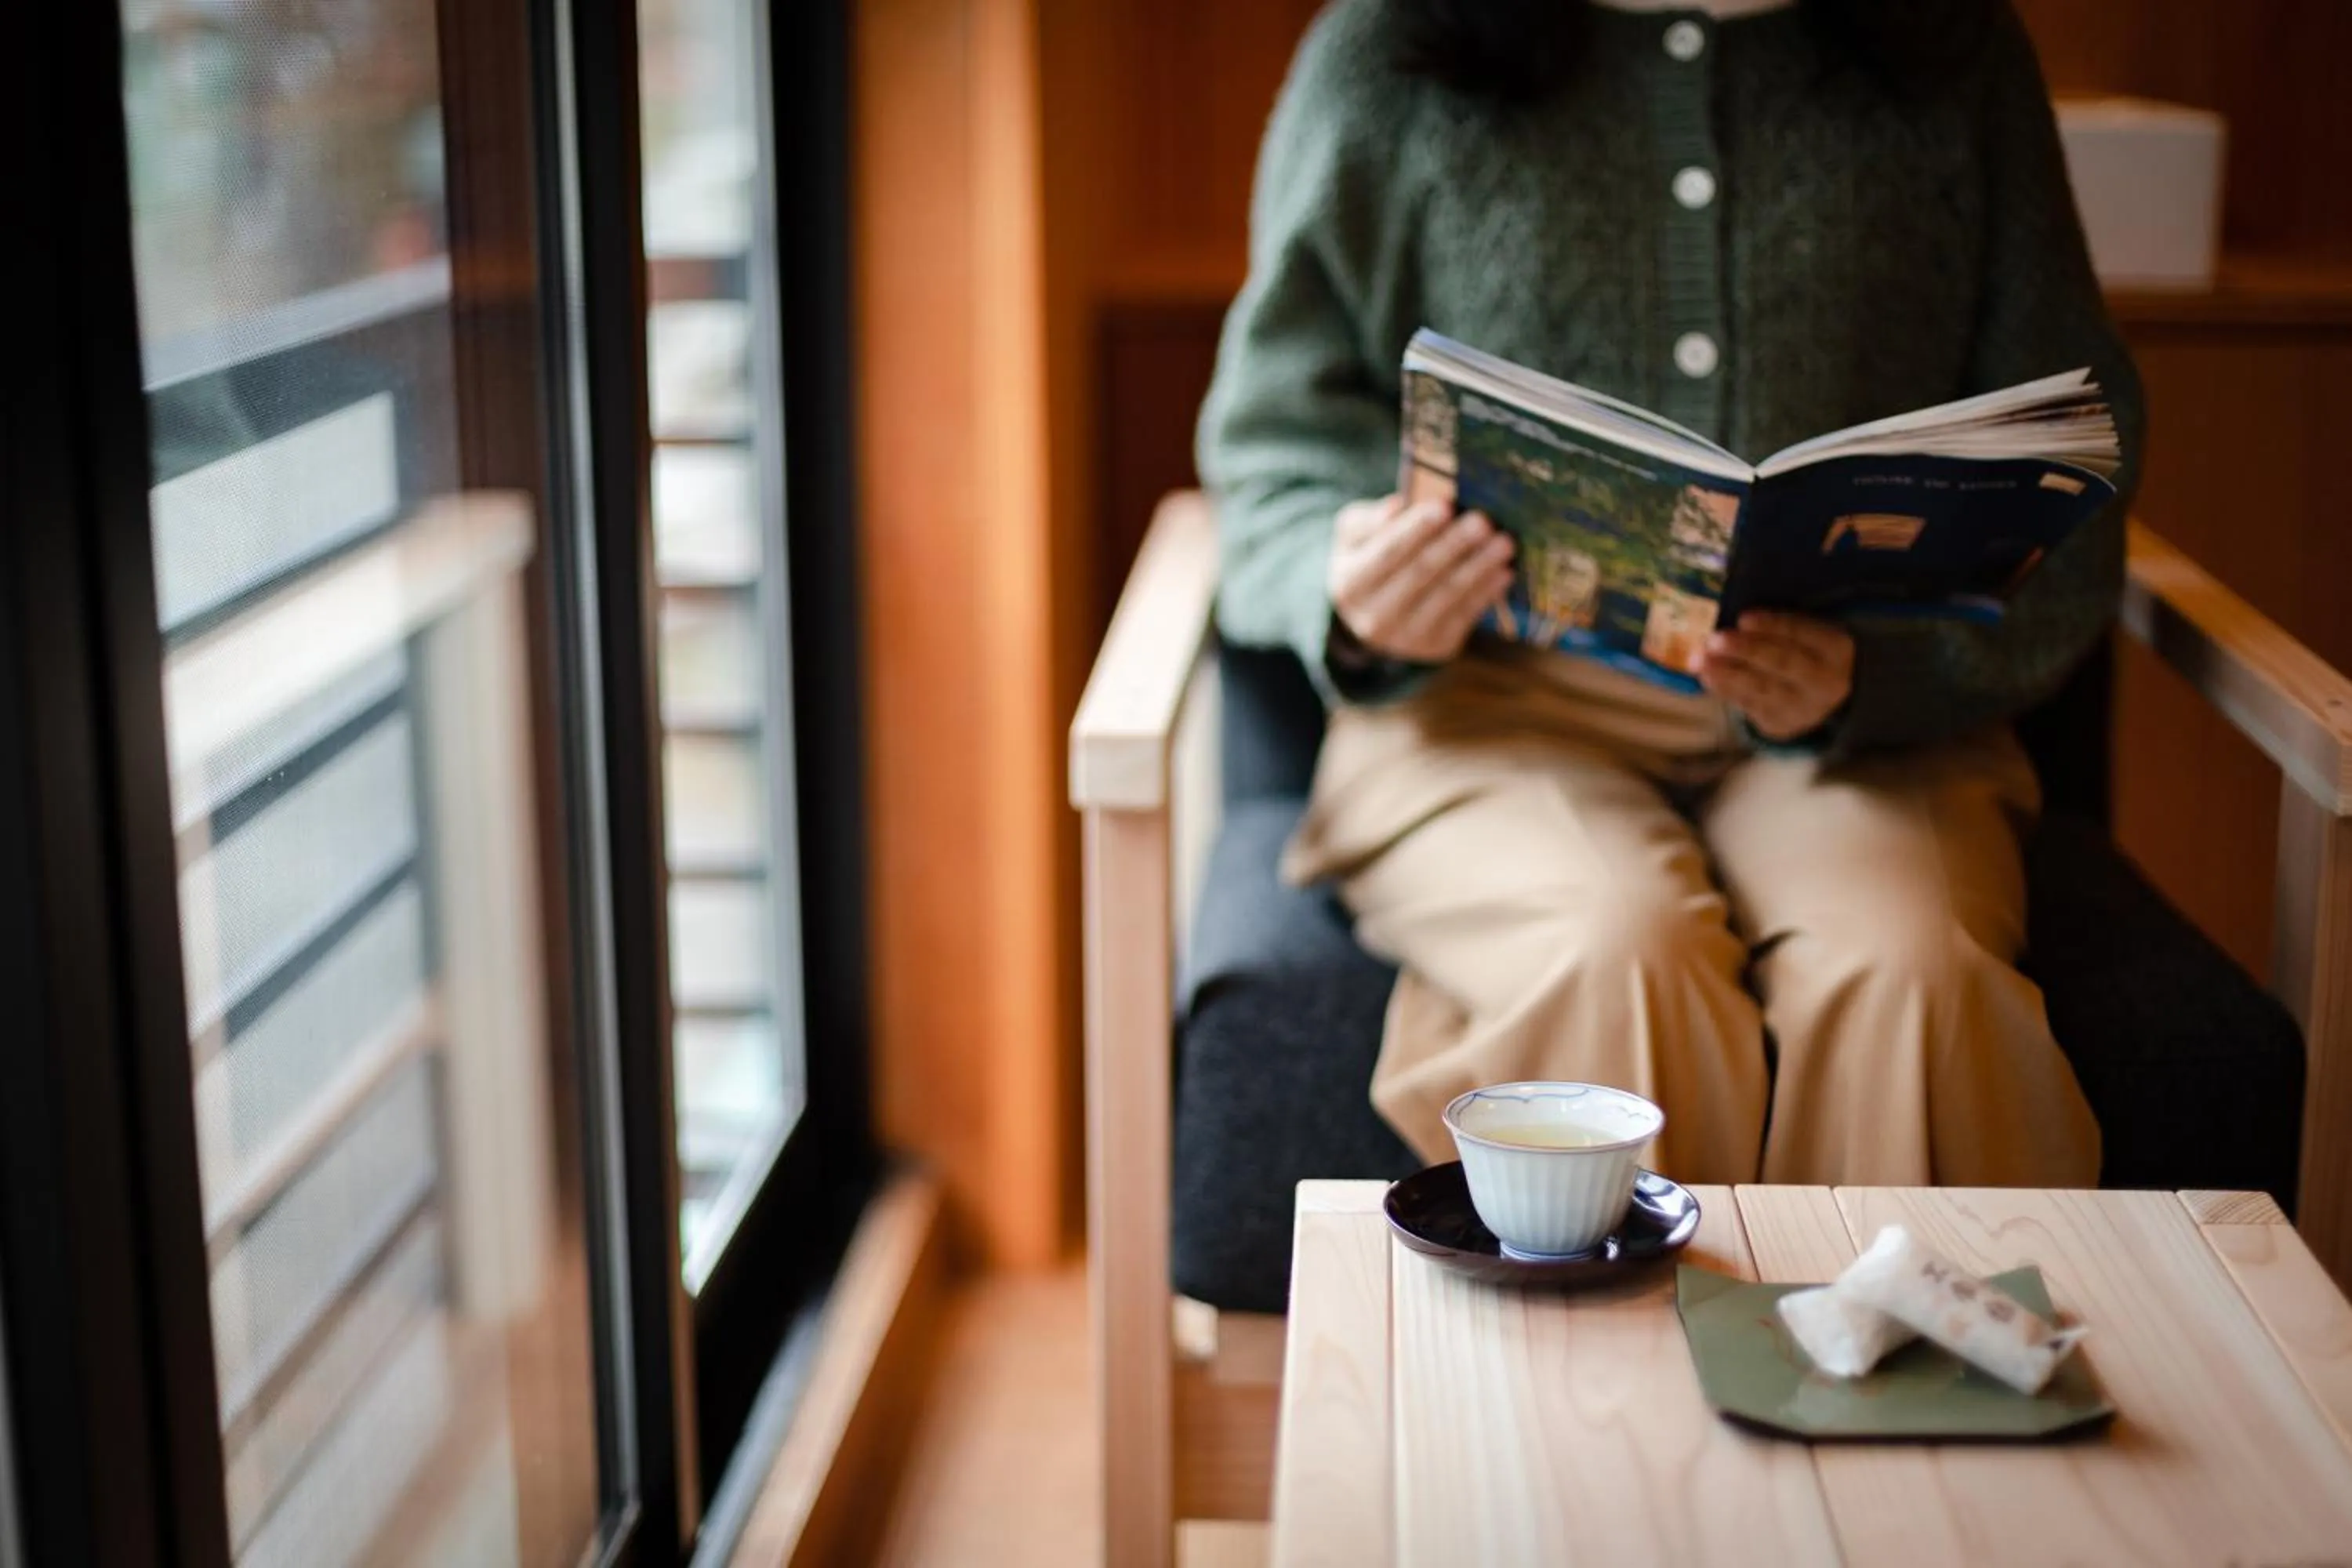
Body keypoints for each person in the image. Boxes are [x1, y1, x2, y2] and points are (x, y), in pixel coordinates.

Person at [1196, 0, 2143, 1187]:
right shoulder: (1387, 51)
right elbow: (1271, 450)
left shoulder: (1958, 56)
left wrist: (1882, 676)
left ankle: (1889, 1367)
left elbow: (2077, 445)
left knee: (1912, 975)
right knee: (1615, 948)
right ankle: (1626, 1374)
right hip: (1489, 719)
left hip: (1864, 729)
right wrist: (1353, 585)